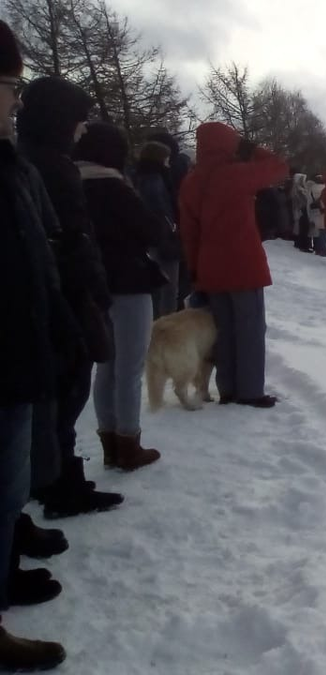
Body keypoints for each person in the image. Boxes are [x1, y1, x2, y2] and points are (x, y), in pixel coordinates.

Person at [17, 76, 125, 519]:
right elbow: (74, 240)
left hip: (49, 298)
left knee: (54, 402)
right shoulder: (53, 167)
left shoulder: (30, 160)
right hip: (66, 299)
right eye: (79, 121)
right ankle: (58, 486)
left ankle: (54, 482)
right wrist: (95, 295)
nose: (82, 131)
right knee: (66, 394)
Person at [0, 20, 70, 669]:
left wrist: (57, 321)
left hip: (21, 358)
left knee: (7, 490)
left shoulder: (12, 161)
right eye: (9, 86)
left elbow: (35, 253)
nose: (16, 99)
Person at [75, 121, 166, 470]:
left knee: (106, 367)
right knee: (130, 367)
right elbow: (150, 230)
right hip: (128, 281)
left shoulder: (71, 184)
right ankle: (129, 443)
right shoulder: (115, 188)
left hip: (93, 285)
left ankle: (110, 443)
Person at [179, 122, 289, 408]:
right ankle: (250, 391)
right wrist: (251, 149)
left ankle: (227, 389)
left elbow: (189, 232)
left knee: (224, 331)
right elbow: (279, 167)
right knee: (250, 329)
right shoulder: (237, 174)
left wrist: (194, 270)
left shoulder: (191, 181)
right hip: (243, 264)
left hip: (210, 267)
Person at [131, 140, 179, 319]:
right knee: (168, 289)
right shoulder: (156, 180)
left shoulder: (136, 175)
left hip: (149, 241)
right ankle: (165, 326)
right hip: (163, 241)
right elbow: (161, 211)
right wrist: (172, 228)